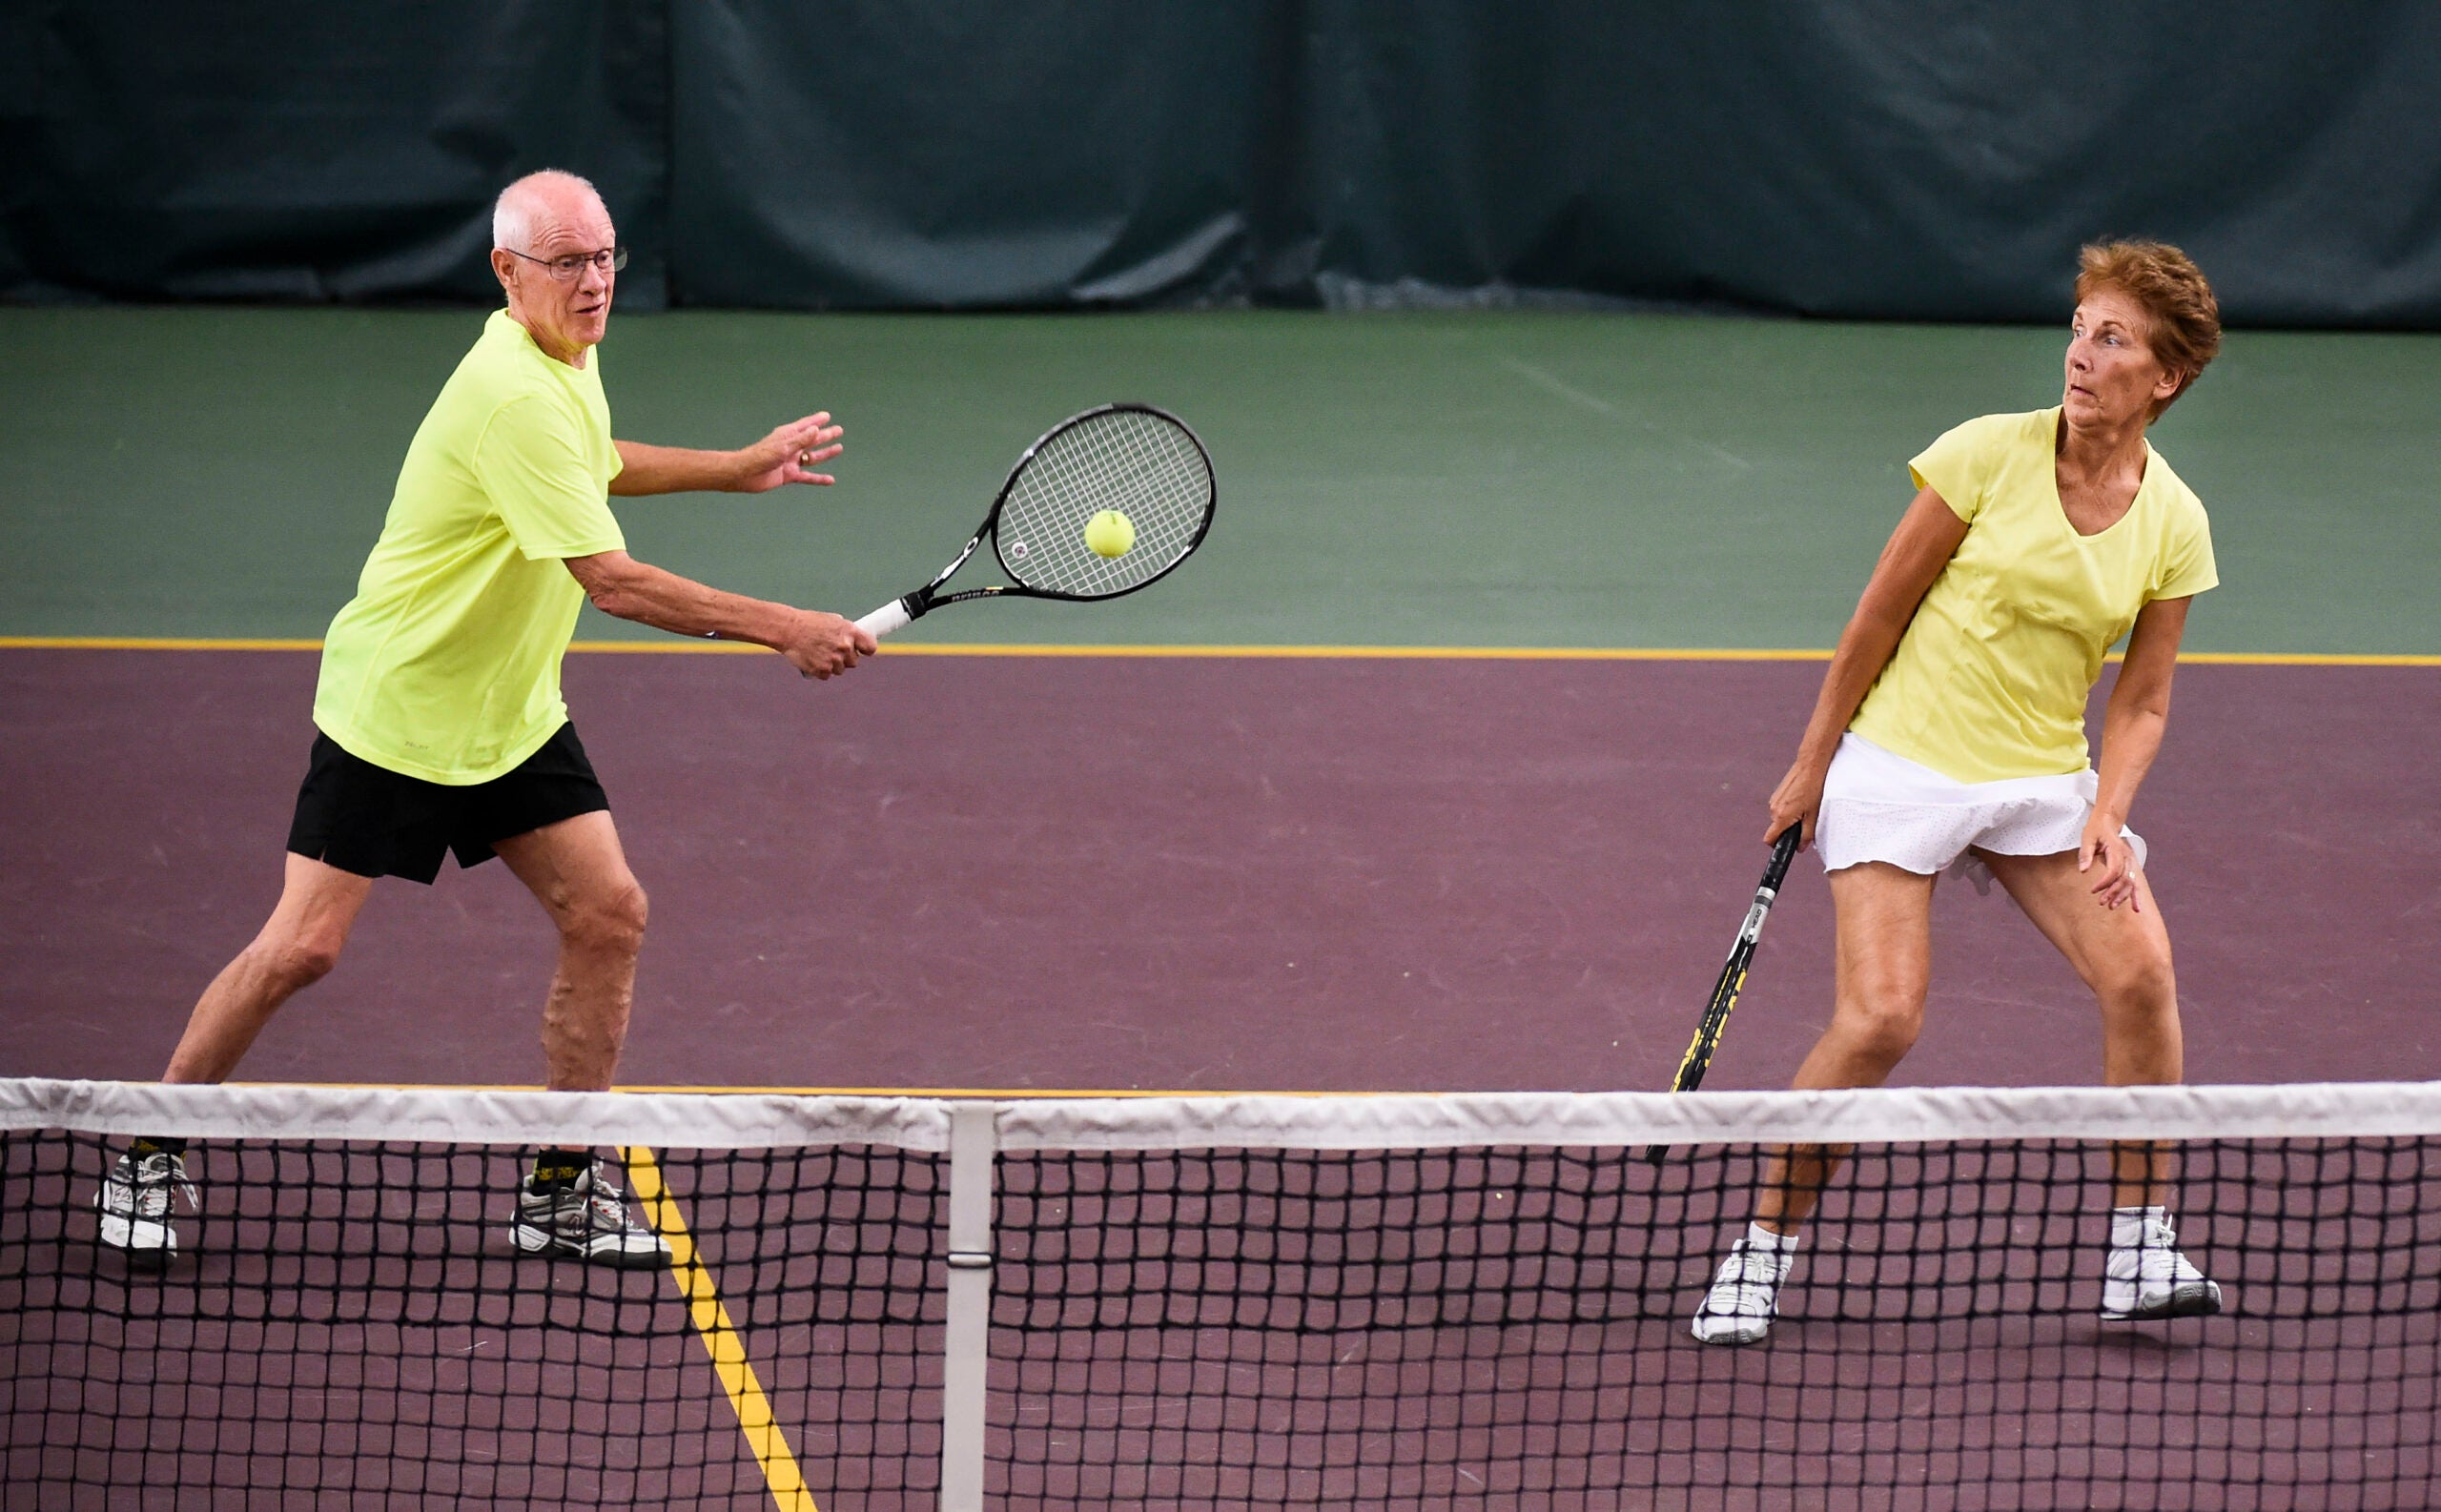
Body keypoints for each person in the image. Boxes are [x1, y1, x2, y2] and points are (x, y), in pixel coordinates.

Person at [96, 169, 876, 1268]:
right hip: (399, 714)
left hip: (510, 714)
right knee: (303, 947)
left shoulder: (565, 353)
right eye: (568, 262)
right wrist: (785, 624)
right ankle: (146, 1142)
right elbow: (610, 580)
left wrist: (731, 466)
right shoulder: (508, 390)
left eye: (606, 255)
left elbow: (589, 464)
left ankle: (557, 1186)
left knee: (609, 913)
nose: (595, 279)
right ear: (508, 272)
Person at [1690, 241, 2226, 1345]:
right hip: (1902, 763)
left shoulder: (2174, 519)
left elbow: (2142, 703)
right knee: (1882, 1014)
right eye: (2079, 327)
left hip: (2039, 780)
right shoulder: (1983, 455)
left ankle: (2139, 1246)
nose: (2080, 354)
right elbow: (1874, 617)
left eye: (2111, 338)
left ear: (2163, 378)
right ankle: (1761, 1250)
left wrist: (2106, 814)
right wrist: (1812, 760)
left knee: (2141, 973)